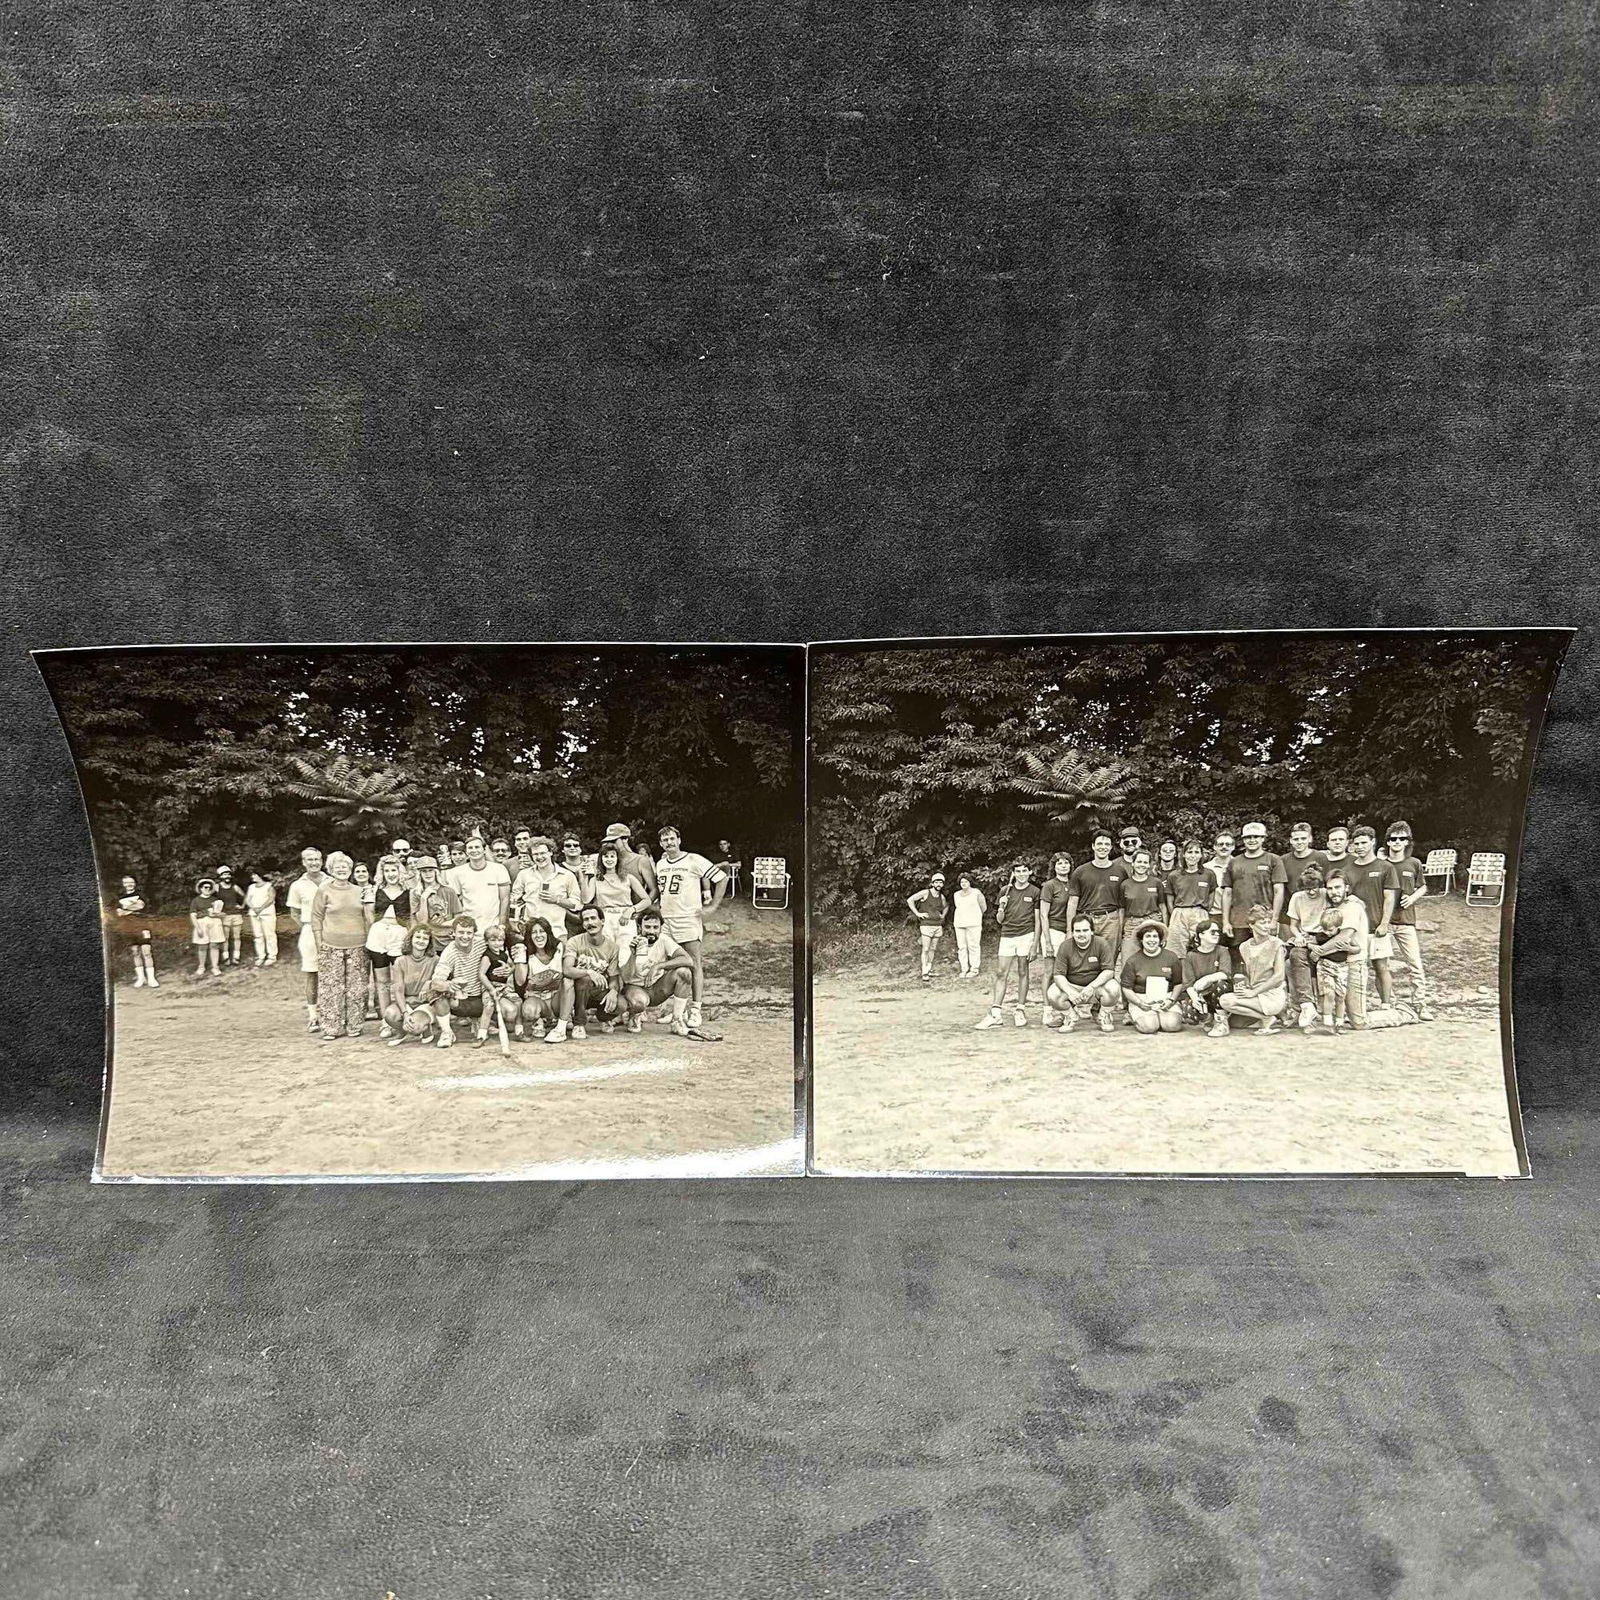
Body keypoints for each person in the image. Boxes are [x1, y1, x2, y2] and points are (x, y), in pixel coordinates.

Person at [643, 824, 728, 1034]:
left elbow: (722, 877)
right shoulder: (661, 863)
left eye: (672, 839)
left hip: (688, 918)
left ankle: (695, 1009)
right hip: (667, 919)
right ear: (661, 843)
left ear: (679, 840)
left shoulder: (693, 859)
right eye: (664, 840)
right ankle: (676, 1010)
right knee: (672, 963)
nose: (669, 843)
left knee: (693, 962)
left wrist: (713, 906)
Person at [310, 850, 371, 1040]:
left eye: (345, 867)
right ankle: (331, 1028)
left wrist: (369, 941)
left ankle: (355, 1025)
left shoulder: (359, 891)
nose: (342, 870)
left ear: (350, 870)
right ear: (331, 870)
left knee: (357, 987)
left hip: (358, 945)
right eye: (338, 867)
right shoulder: (324, 890)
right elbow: (316, 917)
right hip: (330, 945)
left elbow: (367, 918)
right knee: (331, 987)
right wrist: (319, 942)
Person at [975, 861, 1041, 1029]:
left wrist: (1035, 944)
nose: (1021, 874)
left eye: (1024, 871)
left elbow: (1038, 919)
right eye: (1018, 871)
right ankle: (996, 1013)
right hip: (1007, 935)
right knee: (1000, 972)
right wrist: (1002, 907)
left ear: (1029, 872)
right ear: (1013, 873)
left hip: (1026, 935)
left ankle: (1020, 1009)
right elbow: (999, 920)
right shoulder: (1005, 891)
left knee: (1022, 971)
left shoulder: (1035, 891)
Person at [546, 904, 621, 1043]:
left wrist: (613, 991)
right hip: (571, 992)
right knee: (584, 979)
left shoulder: (613, 948)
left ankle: (603, 1018)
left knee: (621, 1004)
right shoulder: (575, 941)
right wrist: (589, 971)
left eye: (593, 918)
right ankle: (576, 1024)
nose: (590, 922)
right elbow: (567, 969)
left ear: (602, 921)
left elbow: (614, 978)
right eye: (586, 920)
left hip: (593, 991)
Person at [1344, 826, 1400, 1010]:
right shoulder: (1347, 869)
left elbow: (1389, 898)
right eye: (1356, 844)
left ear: (1373, 842)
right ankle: (1357, 1006)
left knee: (1381, 967)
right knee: (1354, 970)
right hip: (1354, 928)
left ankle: (1386, 1004)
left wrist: (1384, 923)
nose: (1359, 847)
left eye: (1363, 843)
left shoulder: (1385, 867)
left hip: (1376, 926)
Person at [1384, 820, 1434, 1020]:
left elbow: (1423, 886)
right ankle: (1390, 1002)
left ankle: (1420, 1004)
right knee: (1383, 965)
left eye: (1402, 838)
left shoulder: (1413, 863)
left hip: (1406, 921)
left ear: (1407, 842)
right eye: (1393, 839)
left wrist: (1412, 897)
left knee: (1415, 964)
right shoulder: (1381, 864)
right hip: (1385, 923)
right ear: (1387, 842)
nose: (1397, 842)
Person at [1064, 832, 1130, 976]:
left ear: (1111, 847)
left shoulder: (1120, 871)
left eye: (1106, 844)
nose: (1103, 847)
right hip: (1086, 920)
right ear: (1093, 846)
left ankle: (1106, 995)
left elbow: (1122, 905)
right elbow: (1072, 902)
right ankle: (1086, 992)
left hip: (1110, 920)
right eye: (1099, 844)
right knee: (1085, 959)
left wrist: (1120, 926)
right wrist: (1070, 930)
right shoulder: (1080, 871)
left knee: (1108, 960)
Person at [621, 909, 696, 1034]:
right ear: (639, 928)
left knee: (684, 973)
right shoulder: (629, 941)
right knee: (639, 1003)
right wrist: (633, 955)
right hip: (635, 988)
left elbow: (688, 960)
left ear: (661, 928)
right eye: (647, 927)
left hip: (656, 988)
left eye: (656, 927)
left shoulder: (663, 939)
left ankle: (677, 1020)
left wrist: (659, 966)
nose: (652, 931)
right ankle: (634, 1015)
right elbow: (625, 977)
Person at [1217, 904, 1289, 1035]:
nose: (1267, 926)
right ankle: (1265, 1018)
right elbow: (1249, 974)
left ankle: (1268, 1017)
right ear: (1251, 925)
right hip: (1254, 994)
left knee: (1225, 1000)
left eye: (1268, 922)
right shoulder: (1244, 947)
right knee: (1235, 1023)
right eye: (1262, 923)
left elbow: (1279, 977)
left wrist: (1253, 992)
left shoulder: (1276, 944)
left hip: (1272, 995)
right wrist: (1243, 986)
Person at [1044, 913, 1119, 1033]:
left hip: (1095, 988)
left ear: (1092, 931)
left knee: (1114, 987)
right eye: (1077, 931)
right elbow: (1058, 975)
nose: (1081, 934)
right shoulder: (1065, 946)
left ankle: (1104, 1016)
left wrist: (1092, 987)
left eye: (1085, 930)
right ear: (1073, 932)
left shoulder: (1101, 943)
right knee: (1052, 992)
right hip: (1073, 987)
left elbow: (1109, 971)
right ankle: (1070, 1017)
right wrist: (1070, 992)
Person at [1221, 823, 1286, 950]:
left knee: (1266, 957)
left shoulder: (1273, 860)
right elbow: (1227, 893)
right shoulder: (1234, 862)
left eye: (1256, 836)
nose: (1252, 840)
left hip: (1264, 920)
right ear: (1243, 839)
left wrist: (1274, 920)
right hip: (1238, 921)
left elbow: (1279, 891)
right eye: (1248, 837)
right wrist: (1225, 922)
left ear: (1263, 838)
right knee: (1238, 958)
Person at [366, 855, 412, 1035]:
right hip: (379, 934)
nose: (391, 874)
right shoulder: (375, 890)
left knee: (401, 979)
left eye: (394, 870)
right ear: (382, 872)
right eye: (387, 870)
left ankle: (404, 1015)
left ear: (399, 871)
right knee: (382, 980)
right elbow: (369, 916)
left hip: (399, 934)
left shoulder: (409, 890)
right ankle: (386, 1021)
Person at [428, 915, 487, 1049]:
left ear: (474, 934)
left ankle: (480, 1022)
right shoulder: (449, 952)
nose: (465, 936)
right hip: (460, 999)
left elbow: (502, 943)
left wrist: (509, 967)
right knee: (436, 994)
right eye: (461, 932)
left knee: (509, 1014)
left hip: (481, 998)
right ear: (453, 933)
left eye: (469, 933)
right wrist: (449, 985)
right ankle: (447, 1032)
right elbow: (435, 982)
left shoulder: (483, 943)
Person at [1119, 920, 1187, 1034]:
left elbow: (1178, 983)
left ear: (1160, 939)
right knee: (1149, 1027)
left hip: (1166, 997)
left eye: (1155, 936)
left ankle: (1163, 1016)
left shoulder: (1171, 957)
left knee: (1172, 1025)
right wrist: (1140, 1003)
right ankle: (1136, 1015)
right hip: (1142, 998)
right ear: (1141, 939)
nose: (1152, 940)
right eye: (1148, 936)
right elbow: (1126, 988)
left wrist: (1171, 1000)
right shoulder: (1133, 961)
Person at [286, 847, 328, 1031]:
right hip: (310, 931)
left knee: (334, 973)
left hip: (334, 931)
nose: (314, 863)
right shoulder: (297, 885)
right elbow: (294, 912)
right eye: (310, 860)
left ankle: (332, 1014)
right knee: (313, 973)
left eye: (317, 859)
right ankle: (313, 1016)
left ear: (322, 861)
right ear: (303, 862)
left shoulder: (332, 880)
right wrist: (308, 927)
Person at [1284, 862, 1330, 1030]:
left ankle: (1307, 1007)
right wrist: (1298, 937)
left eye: (1315, 888)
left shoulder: (1326, 894)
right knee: (1291, 961)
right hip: (1305, 936)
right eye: (1307, 888)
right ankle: (1305, 1007)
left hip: (1324, 937)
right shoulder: (1297, 898)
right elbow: (1294, 925)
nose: (1311, 892)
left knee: (1294, 962)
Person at [1306, 906, 1363, 1032]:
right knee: (1329, 994)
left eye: (1330, 930)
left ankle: (1339, 1022)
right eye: (1324, 929)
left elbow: (1357, 949)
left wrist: (1348, 948)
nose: (1327, 933)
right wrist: (1312, 948)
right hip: (1325, 967)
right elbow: (1308, 943)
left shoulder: (1345, 937)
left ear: (1338, 926)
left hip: (1341, 968)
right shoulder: (1320, 936)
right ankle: (1327, 1022)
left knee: (1340, 996)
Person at [510, 836, 583, 930]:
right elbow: (514, 900)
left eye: (542, 853)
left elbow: (577, 905)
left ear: (551, 852)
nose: (539, 857)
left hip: (556, 931)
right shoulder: (524, 874)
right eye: (535, 854)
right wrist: (515, 923)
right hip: (530, 931)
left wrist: (557, 900)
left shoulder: (567, 875)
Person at [385, 925, 438, 1048]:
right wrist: (405, 1013)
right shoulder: (400, 961)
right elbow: (398, 990)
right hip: (407, 1002)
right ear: (411, 939)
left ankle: (425, 1029)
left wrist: (428, 985)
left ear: (429, 942)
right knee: (389, 1014)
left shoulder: (435, 960)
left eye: (425, 938)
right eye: (418, 937)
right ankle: (402, 1031)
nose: (421, 940)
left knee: (416, 1027)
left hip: (426, 1003)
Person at [1038, 852, 1075, 1024]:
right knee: (1050, 972)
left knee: (1067, 972)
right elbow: (1043, 915)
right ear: (1054, 866)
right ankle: (1047, 1010)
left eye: (1066, 863)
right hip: (1053, 931)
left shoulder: (1075, 884)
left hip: (1070, 932)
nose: (1063, 866)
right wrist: (1047, 941)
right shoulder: (1049, 885)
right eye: (1059, 863)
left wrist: (1071, 932)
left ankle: (1066, 1008)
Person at [1116, 849, 1165, 977]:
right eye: (1139, 861)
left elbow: (1162, 906)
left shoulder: (1156, 883)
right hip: (1132, 924)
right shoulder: (1125, 885)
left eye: (1145, 862)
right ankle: (1127, 993)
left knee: (1154, 961)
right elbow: (1122, 909)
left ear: (1149, 865)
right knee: (1127, 963)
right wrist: (1121, 930)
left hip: (1153, 922)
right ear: (1133, 863)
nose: (1142, 865)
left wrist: (1165, 929)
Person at [1181, 919, 1233, 1038]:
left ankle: (1222, 1023)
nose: (1216, 934)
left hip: (1220, 994)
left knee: (1220, 985)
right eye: (1212, 932)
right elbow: (1188, 983)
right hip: (1202, 995)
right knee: (1188, 1010)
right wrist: (1195, 999)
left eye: (1218, 932)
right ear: (1201, 934)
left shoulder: (1222, 951)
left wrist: (1206, 979)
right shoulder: (1190, 956)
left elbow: (1225, 973)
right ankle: (1209, 1020)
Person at [590, 840, 651, 939]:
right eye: (606, 856)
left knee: (626, 951)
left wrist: (631, 910)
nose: (609, 859)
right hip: (604, 919)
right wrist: (584, 876)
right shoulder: (595, 880)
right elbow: (585, 899)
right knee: (606, 951)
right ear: (601, 859)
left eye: (612, 856)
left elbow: (647, 900)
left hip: (625, 918)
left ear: (618, 859)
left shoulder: (628, 877)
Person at [449, 835, 511, 933]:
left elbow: (505, 900)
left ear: (484, 850)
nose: (474, 850)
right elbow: (455, 903)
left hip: (493, 927)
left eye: (477, 847)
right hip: (468, 929)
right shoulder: (456, 873)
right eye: (470, 848)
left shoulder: (499, 869)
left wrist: (501, 925)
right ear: (466, 852)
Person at [516, 916, 565, 1039]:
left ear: (548, 933)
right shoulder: (527, 953)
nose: (538, 935)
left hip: (556, 998)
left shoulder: (559, 948)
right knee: (529, 1010)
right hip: (537, 998)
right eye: (534, 932)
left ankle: (562, 1019)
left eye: (542, 931)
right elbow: (520, 980)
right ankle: (539, 1021)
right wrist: (520, 958)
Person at [1162, 839, 1212, 957]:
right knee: (1177, 950)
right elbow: (1170, 899)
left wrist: (1203, 911)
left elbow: (1211, 895)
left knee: (1201, 946)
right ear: (1183, 854)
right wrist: (1176, 913)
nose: (1193, 856)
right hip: (1179, 913)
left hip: (1200, 912)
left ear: (1201, 855)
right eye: (1189, 852)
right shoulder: (1174, 875)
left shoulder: (1208, 874)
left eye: (1196, 852)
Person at [479, 922, 523, 1047]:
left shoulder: (503, 954)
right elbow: (481, 974)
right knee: (489, 1005)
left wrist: (511, 970)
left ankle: (519, 1030)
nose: (497, 943)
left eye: (500, 940)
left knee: (518, 1001)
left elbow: (513, 965)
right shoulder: (487, 956)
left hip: (503, 987)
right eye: (493, 940)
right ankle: (481, 1035)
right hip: (490, 987)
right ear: (487, 942)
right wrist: (491, 989)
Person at [1278, 822, 1326, 931]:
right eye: (1296, 839)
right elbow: (1281, 888)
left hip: (1314, 912)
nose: (1300, 842)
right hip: (1289, 913)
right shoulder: (1283, 860)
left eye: (1303, 838)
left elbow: (1326, 884)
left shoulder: (1320, 857)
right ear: (1291, 840)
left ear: (1310, 839)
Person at [115, 875, 158, 988]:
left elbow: (140, 905)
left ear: (134, 883)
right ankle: (141, 978)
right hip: (128, 927)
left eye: (131, 882)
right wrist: (128, 909)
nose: (129, 884)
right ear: (123, 884)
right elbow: (118, 912)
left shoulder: (141, 894)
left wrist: (126, 910)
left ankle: (151, 979)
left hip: (142, 925)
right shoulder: (119, 897)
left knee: (147, 951)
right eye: (127, 882)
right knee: (135, 952)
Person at [906, 872, 949, 983]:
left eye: (941, 882)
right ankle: (924, 971)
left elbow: (946, 906)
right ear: (932, 883)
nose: (939, 884)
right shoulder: (926, 893)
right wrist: (918, 914)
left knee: (933, 949)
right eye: (936, 882)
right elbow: (910, 900)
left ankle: (928, 969)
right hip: (926, 925)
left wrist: (943, 915)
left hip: (937, 925)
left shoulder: (941, 896)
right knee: (925, 948)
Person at [410, 855, 461, 944]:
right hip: (428, 939)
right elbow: (422, 922)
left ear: (436, 872)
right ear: (420, 874)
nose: (428, 874)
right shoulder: (415, 893)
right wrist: (423, 898)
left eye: (431, 871)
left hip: (448, 938)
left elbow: (459, 916)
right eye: (424, 871)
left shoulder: (449, 891)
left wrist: (442, 924)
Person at [603, 823, 657, 896]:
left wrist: (642, 906)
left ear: (625, 839)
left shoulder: (640, 860)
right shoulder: (609, 862)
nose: (610, 845)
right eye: (608, 842)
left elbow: (654, 890)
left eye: (613, 841)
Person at [951, 872, 987, 978]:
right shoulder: (956, 894)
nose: (963, 883)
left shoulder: (976, 893)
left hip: (974, 923)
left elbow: (983, 908)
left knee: (973, 946)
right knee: (961, 947)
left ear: (970, 882)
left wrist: (975, 916)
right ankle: (964, 969)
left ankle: (974, 969)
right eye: (962, 882)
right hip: (959, 923)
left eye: (966, 881)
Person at [559, 835, 596, 931]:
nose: (572, 848)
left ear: (580, 850)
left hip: (590, 914)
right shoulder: (558, 869)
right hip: (566, 916)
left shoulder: (590, 868)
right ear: (562, 850)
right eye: (568, 845)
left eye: (576, 845)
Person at [213, 865, 247, 966]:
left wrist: (242, 906)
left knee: (237, 936)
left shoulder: (235, 887)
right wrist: (215, 908)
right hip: (224, 915)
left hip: (236, 914)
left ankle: (236, 956)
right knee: (225, 937)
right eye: (224, 874)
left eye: (228, 874)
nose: (227, 876)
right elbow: (208, 896)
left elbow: (245, 896)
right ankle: (226, 957)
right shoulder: (217, 887)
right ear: (220, 876)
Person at [244, 869, 279, 966]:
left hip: (267, 913)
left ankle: (272, 956)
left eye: (254, 874)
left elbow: (271, 899)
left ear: (260, 875)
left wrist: (261, 908)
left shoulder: (269, 886)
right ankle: (261, 956)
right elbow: (247, 900)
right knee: (258, 935)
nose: (252, 877)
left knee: (269, 934)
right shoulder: (251, 887)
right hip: (254, 914)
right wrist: (254, 909)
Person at [189, 877, 222, 978]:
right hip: (201, 923)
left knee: (214, 945)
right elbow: (192, 915)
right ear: (201, 888)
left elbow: (220, 913)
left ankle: (215, 967)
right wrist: (198, 928)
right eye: (205, 887)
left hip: (214, 923)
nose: (207, 889)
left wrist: (216, 914)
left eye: (209, 887)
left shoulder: (215, 900)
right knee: (202, 946)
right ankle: (201, 966)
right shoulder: (196, 900)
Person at [1202, 830, 1236, 919]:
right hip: (1212, 914)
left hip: (1234, 915)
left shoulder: (1240, 866)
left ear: (1233, 847)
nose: (1224, 847)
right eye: (1220, 844)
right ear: (1214, 847)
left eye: (1228, 844)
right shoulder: (1205, 868)